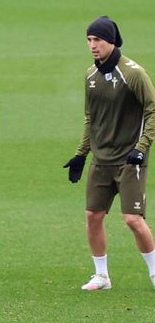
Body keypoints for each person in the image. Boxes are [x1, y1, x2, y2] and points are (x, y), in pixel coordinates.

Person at [64, 16, 155, 291]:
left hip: (129, 160)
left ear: (111, 42)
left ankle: (154, 272)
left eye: (98, 40)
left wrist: (141, 148)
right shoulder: (91, 76)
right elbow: (90, 118)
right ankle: (101, 276)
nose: (92, 45)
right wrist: (81, 154)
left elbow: (152, 111)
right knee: (93, 216)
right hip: (100, 160)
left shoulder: (134, 74)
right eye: (89, 40)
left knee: (133, 220)